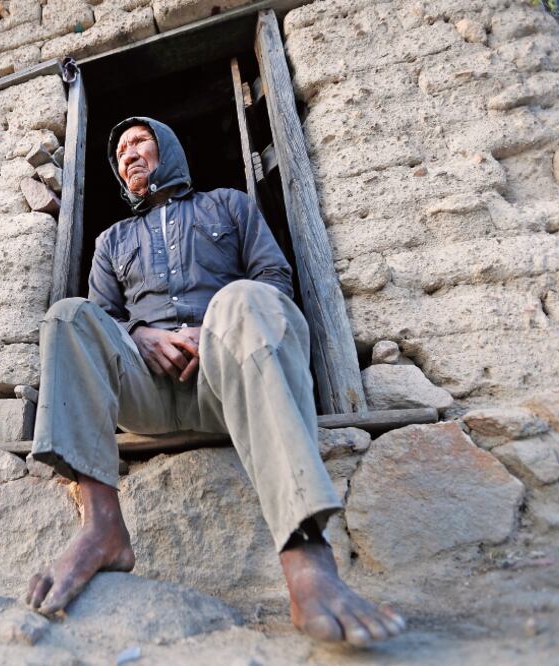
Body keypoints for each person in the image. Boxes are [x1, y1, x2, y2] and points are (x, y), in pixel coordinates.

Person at [25, 117, 405, 646]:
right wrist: (139, 334)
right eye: (119, 152)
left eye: (139, 142)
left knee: (247, 297)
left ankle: (306, 555)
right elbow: (103, 319)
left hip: (226, 384)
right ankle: (101, 525)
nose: (127, 154)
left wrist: (212, 327)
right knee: (69, 317)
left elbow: (275, 279)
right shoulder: (111, 240)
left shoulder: (229, 205)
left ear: (168, 149)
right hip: (145, 395)